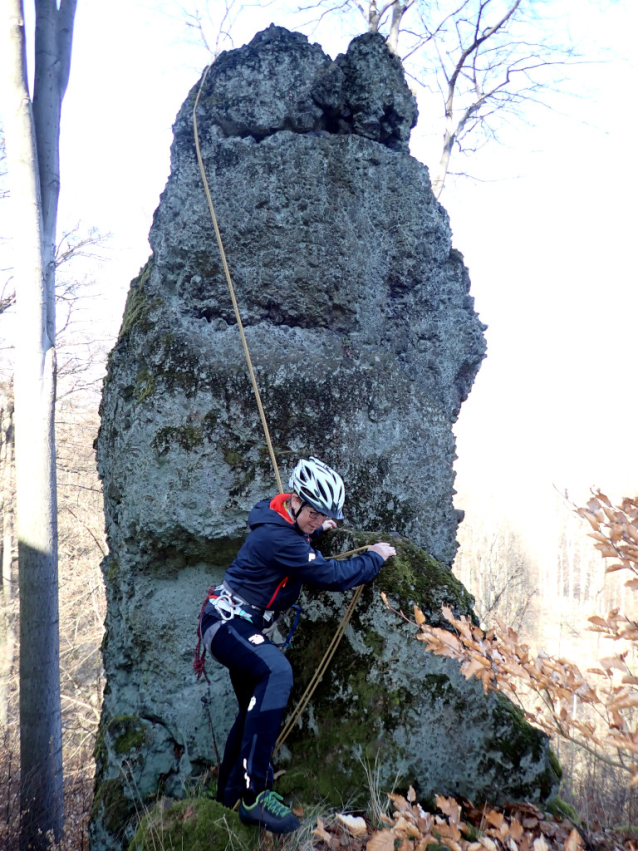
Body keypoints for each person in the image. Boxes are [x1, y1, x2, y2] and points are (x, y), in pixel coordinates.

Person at [199, 456, 396, 834]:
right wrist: (373, 558)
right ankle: (255, 796)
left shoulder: (284, 524)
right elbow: (330, 574)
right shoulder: (277, 536)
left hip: (237, 622)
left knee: (250, 712)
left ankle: (227, 797)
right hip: (227, 623)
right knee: (276, 671)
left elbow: (299, 540)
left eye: (324, 516)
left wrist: (317, 531)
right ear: (296, 500)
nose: (318, 521)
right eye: (315, 514)